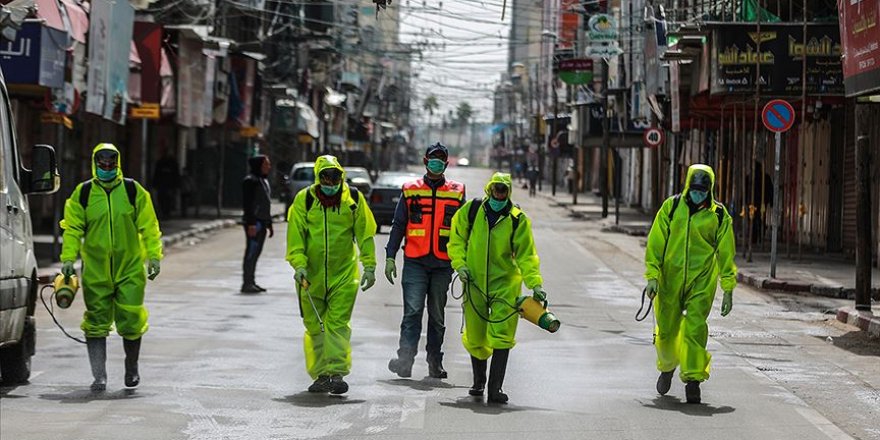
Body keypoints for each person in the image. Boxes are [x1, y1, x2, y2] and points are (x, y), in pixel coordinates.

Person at [59, 143, 163, 391]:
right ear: (94, 163)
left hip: (130, 268)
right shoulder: (83, 193)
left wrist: (154, 256)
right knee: (96, 321)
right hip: (96, 270)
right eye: (102, 163)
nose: (106, 167)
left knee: (131, 318)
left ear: (118, 163)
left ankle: (131, 367)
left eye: (111, 163)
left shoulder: (133, 191)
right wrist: (68, 258)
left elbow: (149, 226)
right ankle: (99, 376)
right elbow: (72, 228)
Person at [447, 172, 547, 404]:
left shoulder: (517, 219)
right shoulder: (472, 211)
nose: (499, 193)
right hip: (474, 282)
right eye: (496, 188)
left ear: (508, 192)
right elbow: (457, 239)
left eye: (503, 190)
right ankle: (478, 382)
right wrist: (460, 265)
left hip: (505, 285)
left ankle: (495, 388)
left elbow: (526, 256)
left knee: (502, 335)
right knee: (476, 335)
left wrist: (535, 284)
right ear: (489, 189)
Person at [644, 164, 737, 404]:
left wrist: (728, 289)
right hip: (670, 279)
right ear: (688, 186)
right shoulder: (672, 207)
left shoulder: (718, 215)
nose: (698, 194)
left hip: (701, 280)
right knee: (667, 330)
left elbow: (726, 252)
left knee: (695, 328)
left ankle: (693, 381)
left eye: (702, 191)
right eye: (694, 190)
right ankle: (667, 367)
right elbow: (656, 243)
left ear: (710, 190)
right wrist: (652, 276)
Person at [286, 155, 377, 395]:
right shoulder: (304, 200)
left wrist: (369, 265)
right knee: (315, 327)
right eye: (325, 178)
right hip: (310, 277)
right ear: (318, 178)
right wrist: (299, 265)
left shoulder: (353, 200)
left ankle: (336, 373)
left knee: (337, 325)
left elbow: (365, 234)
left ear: (341, 177)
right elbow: (295, 237)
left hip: (344, 275)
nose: (330, 183)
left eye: (335, 178)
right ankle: (321, 375)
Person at [384, 142, 465, 379]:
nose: (436, 163)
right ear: (425, 161)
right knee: (412, 312)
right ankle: (405, 360)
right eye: (433, 158)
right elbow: (399, 225)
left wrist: (465, 262)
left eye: (441, 159)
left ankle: (434, 361)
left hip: (443, 264)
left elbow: (465, 230)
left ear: (446, 164)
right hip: (415, 262)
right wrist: (390, 256)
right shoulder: (411, 190)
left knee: (437, 316)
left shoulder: (457, 191)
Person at [241, 155, 274, 294]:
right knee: (251, 253)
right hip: (255, 224)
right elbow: (248, 204)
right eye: (266, 164)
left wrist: (269, 223)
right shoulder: (250, 181)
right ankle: (247, 283)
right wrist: (251, 223)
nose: (268, 167)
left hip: (262, 222)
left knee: (256, 253)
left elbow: (266, 203)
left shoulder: (263, 180)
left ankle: (252, 281)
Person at [152, 151, 180, 220]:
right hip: (163, 186)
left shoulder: (171, 163)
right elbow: (156, 174)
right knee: (163, 200)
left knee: (166, 200)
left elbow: (176, 175)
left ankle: (166, 213)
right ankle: (164, 213)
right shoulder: (161, 163)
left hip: (167, 186)